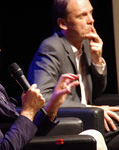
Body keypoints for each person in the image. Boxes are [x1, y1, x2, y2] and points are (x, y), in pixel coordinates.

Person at [0, 16, 108, 150]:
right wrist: (28, 111)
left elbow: (29, 133)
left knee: (94, 136)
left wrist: (53, 103)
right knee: (93, 138)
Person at [28, 0, 119, 149]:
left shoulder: (86, 44)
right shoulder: (51, 48)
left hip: (92, 119)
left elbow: (97, 92)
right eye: (82, 15)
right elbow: (42, 98)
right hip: (70, 125)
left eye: (91, 13)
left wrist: (97, 60)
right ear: (63, 23)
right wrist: (89, 108)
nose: (91, 20)